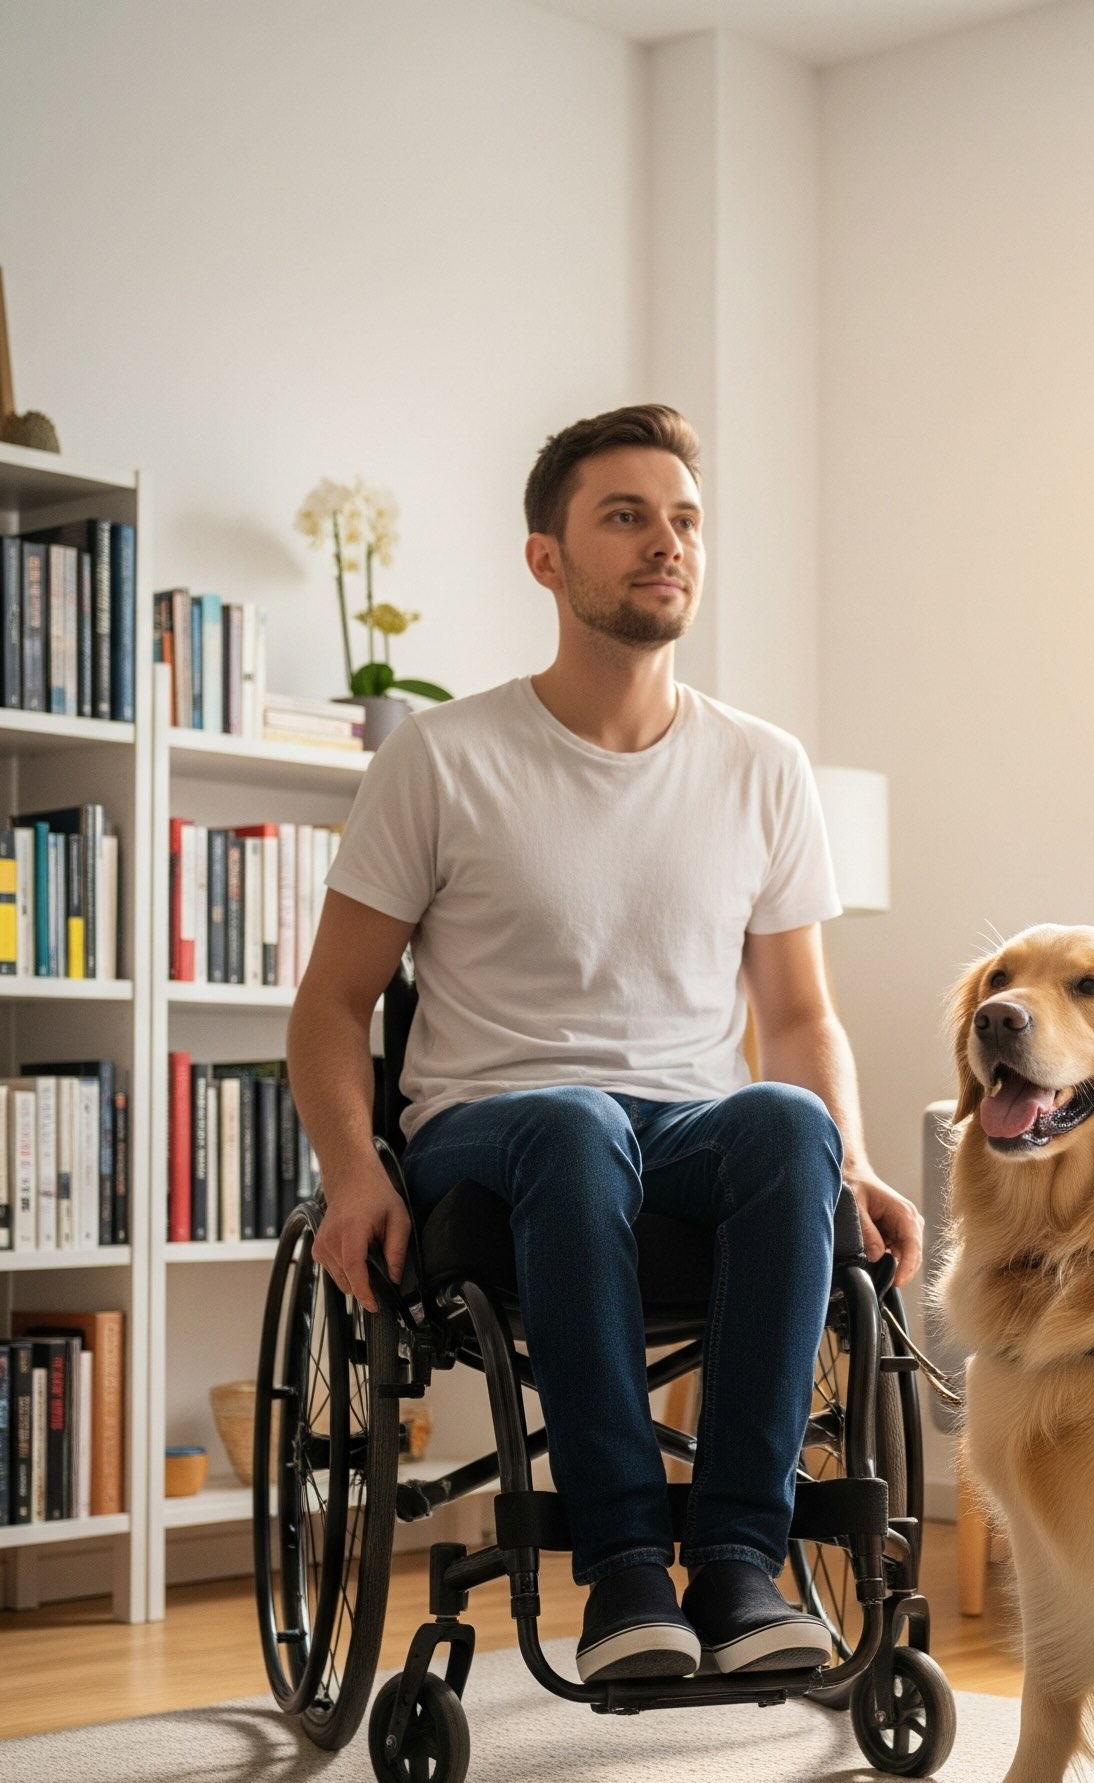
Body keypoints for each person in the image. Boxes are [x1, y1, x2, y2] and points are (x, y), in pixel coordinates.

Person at [288, 403, 922, 1684]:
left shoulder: (762, 765)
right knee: (574, 1119)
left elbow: (798, 1017)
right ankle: (627, 1569)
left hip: (687, 1127)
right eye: (624, 517)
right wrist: (353, 1172)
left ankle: (740, 1568)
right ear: (546, 558)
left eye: (682, 520)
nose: (663, 543)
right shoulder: (443, 758)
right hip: (492, 1129)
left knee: (788, 1123)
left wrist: (847, 1159)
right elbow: (329, 1004)